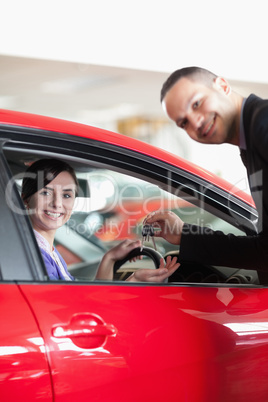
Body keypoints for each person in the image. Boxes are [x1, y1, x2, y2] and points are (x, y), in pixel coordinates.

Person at [145, 66, 268, 273]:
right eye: (184, 123)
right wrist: (184, 235)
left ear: (222, 86)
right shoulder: (252, 139)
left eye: (197, 103)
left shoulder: (262, 124)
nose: (196, 122)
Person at [21, 158, 179, 282]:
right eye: (46, 193)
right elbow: (75, 309)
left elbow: (81, 300)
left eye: (67, 195)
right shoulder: (36, 257)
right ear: (26, 199)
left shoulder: (46, 251)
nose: (57, 203)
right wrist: (134, 279)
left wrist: (110, 258)